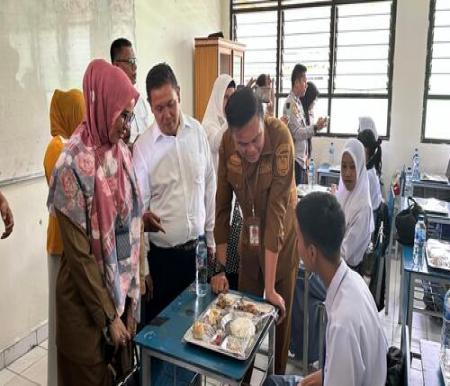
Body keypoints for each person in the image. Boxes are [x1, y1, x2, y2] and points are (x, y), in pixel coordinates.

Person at [47, 59, 142, 386]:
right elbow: (80, 257)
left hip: (116, 305)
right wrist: (108, 315)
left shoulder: (120, 153)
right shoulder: (71, 165)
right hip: (85, 312)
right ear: (103, 103)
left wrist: (129, 299)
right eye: (123, 114)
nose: (126, 125)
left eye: (130, 115)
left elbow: (129, 226)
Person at [211, 87, 299, 375]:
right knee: (243, 318)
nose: (249, 149)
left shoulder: (281, 139)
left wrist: (271, 288)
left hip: (281, 239)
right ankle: (244, 378)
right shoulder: (226, 144)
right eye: (242, 143)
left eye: (255, 139)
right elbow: (222, 206)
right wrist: (220, 269)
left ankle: (277, 379)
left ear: (264, 119)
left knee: (278, 319)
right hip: (249, 238)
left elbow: (276, 214)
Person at [264, 192, 388, 386]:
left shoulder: (342, 324)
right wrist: (325, 375)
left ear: (312, 252)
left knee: (272, 383)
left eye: (297, 238)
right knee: (273, 382)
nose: (295, 245)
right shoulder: (354, 282)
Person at [133, 63, 216, 323]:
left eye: (171, 104)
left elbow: (210, 185)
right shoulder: (143, 149)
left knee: (199, 329)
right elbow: (139, 210)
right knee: (164, 340)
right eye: (159, 108)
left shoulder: (197, 132)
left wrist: (211, 237)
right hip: (162, 262)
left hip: (198, 253)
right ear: (149, 105)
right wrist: (143, 267)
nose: (167, 114)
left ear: (179, 94)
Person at [43, 88, 85, 386]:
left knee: (71, 324)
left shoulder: (70, 145)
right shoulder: (57, 147)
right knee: (61, 320)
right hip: (61, 246)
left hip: (72, 246)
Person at [202, 74, 241, 290]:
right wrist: (235, 119)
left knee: (232, 263)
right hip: (214, 204)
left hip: (231, 200)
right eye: (226, 97)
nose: (229, 102)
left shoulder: (230, 125)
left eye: (233, 97)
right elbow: (218, 142)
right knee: (217, 262)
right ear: (217, 97)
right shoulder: (207, 125)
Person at [282, 64, 328, 185]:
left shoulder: (298, 103)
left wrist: (317, 126)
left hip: (301, 160)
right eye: (304, 82)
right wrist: (315, 127)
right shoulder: (289, 104)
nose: (306, 85)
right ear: (296, 82)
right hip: (295, 160)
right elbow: (297, 133)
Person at [336, 138, 374, 273]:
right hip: (337, 263)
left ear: (360, 167)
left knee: (299, 282)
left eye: (353, 167)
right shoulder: (344, 193)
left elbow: (344, 253)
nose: (347, 173)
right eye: (344, 166)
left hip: (347, 272)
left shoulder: (363, 207)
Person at [111, 38, 150, 144]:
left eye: (135, 61)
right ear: (116, 65)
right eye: (130, 62)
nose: (135, 67)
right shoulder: (109, 102)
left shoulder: (140, 100)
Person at [357, 128, 383, 215]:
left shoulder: (367, 175)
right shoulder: (371, 168)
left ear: (366, 149)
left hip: (368, 218)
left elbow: (356, 203)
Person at [300, 81, 319, 170]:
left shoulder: (309, 114)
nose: (314, 102)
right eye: (314, 99)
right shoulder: (300, 113)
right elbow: (301, 134)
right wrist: (316, 127)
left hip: (305, 158)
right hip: (299, 159)